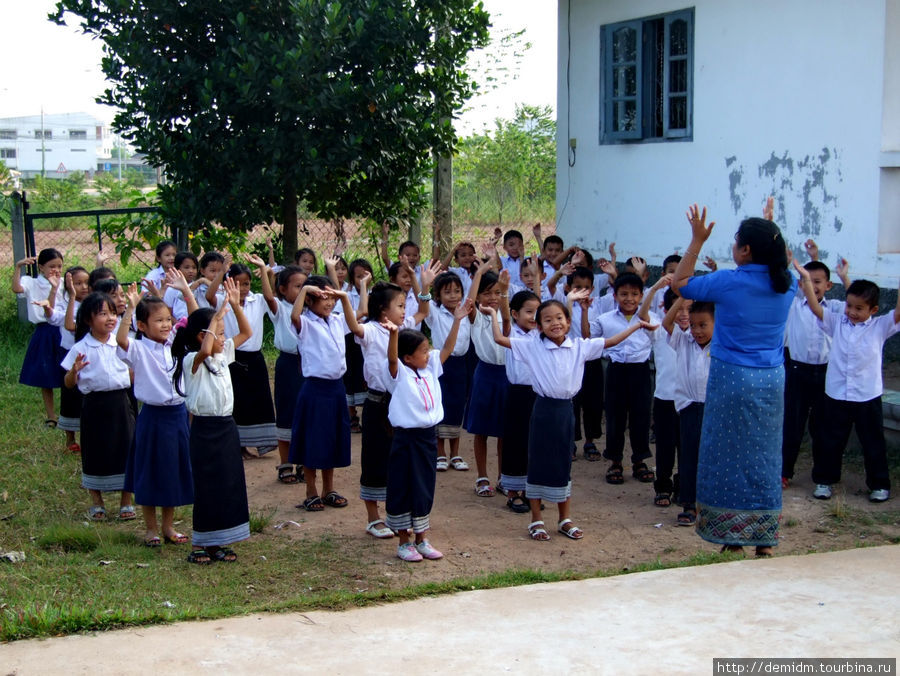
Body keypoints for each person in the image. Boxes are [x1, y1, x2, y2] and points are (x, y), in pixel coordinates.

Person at [672, 200, 796, 557]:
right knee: (765, 455)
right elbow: (779, 260)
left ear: (744, 250)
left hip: (731, 378)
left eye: (737, 241)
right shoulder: (785, 284)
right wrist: (770, 227)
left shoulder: (728, 282)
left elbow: (681, 283)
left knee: (727, 454)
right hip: (771, 379)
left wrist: (696, 240)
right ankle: (765, 538)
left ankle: (732, 536)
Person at [488, 296, 656, 541]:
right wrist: (493, 315)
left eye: (559, 318)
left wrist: (638, 325)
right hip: (543, 410)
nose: (554, 323)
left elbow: (610, 341)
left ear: (568, 322)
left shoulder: (579, 346)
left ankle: (564, 518)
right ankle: (536, 519)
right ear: (539, 325)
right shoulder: (532, 345)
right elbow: (499, 339)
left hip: (565, 412)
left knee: (563, 463)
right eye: (547, 320)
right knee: (537, 462)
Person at [793, 264, 898, 503]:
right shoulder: (837, 321)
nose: (851, 311)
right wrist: (807, 280)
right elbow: (815, 307)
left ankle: (879, 484)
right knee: (829, 440)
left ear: (874, 309)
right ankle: (824, 480)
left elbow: (898, 313)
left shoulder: (880, 326)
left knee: (873, 442)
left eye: (859, 308)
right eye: (849, 306)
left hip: (867, 396)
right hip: (836, 394)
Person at [172, 278, 253, 564]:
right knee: (206, 485)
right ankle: (200, 543)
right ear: (200, 336)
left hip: (226, 428)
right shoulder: (193, 359)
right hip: (204, 430)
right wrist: (218, 312)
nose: (222, 338)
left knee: (227, 483)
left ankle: (220, 541)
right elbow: (206, 349)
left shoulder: (223, 355)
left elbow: (247, 332)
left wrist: (233, 305)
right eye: (218, 334)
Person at [382, 300, 471, 561]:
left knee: (424, 486)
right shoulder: (400, 374)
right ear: (408, 357)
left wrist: (457, 320)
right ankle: (403, 541)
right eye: (423, 350)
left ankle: (421, 538)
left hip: (427, 437)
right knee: (403, 485)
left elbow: (449, 348)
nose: (429, 352)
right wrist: (394, 335)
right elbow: (391, 358)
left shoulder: (430, 368)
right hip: (406, 439)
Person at [118, 271, 197, 547]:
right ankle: (150, 528)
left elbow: (198, 320)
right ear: (142, 325)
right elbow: (120, 340)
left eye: (168, 319)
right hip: (152, 417)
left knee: (172, 471)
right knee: (150, 472)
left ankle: (168, 526)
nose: (166, 325)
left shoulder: (176, 341)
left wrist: (186, 289)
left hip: (177, 416)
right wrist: (129, 309)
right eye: (158, 321)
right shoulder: (138, 349)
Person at [352, 281, 428, 538]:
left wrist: (425, 286)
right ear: (384, 310)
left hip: (400, 402)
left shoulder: (402, 329)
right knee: (374, 456)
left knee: (397, 459)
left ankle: (397, 516)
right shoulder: (372, 330)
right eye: (400, 305)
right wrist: (347, 297)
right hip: (376, 402)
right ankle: (373, 518)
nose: (405, 311)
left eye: (405, 305)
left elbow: (423, 313)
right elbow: (354, 326)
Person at [61, 291, 136, 521]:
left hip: (120, 402)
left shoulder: (122, 343)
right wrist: (74, 371)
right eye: (103, 313)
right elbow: (68, 383)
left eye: (113, 313)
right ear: (88, 320)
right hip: (94, 405)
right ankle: (97, 502)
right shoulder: (81, 348)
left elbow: (133, 372)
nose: (110, 318)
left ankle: (126, 501)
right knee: (94, 450)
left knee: (126, 448)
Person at [289, 275, 362, 511]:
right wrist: (305, 289)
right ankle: (311, 490)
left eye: (331, 298)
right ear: (310, 301)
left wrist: (342, 296)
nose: (329, 303)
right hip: (316, 390)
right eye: (323, 298)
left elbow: (356, 321)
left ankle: (328, 489)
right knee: (313, 441)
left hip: (336, 388)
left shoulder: (337, 320)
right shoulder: (306, 324)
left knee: (331, 440)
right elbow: (294, 316)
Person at [781, 253, 849, 488]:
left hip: (826, 373)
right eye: (807, 280)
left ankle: (823, 477)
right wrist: (789, 263)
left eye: (818, 281)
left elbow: (855, 299)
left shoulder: (837, 308)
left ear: (829, 285)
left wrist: (845, 277)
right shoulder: (793, 306)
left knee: (823, 427)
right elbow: (784, 281)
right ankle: (784, 471)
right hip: (797, 370)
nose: (812, 285)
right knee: (792, 424)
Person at [207, 259, 278, 456]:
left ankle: (260, 442)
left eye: (246, 283)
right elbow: (209, 295)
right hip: (232, 356)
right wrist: (222, 271)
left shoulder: (258, 300)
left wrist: (264, 270)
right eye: (238, 283)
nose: (243, 288)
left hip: (255, 357)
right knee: (236, 402)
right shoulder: (223, 300)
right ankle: (238, 445)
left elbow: (269, 295)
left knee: (259, 400)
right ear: (228, 284)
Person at [595, 272, 659, 485]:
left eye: (634, 294)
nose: (629, 298)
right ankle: (615, 461)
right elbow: (592, 340)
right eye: (624, 294)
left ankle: (640, 460)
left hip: (640, 371)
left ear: (641, 295)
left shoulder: (649, 318)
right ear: (614, 295)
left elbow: (656, 336)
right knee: (615, 417)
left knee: (641, 416)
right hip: (616, 371)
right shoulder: (605, 319)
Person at [662, 292, 714, 526]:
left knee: (713, 458)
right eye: (693, 325)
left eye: (703, 325)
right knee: (689, 457)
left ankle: (712, 504)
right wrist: (681, 301)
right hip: (690, 408)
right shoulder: (683, 341)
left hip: (715, 409)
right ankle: (689, 504)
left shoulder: (723, 345)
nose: (697, 330)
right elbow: (666, 322)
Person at [261, 264, 307, 484]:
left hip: (309, 364)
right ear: (283, 290)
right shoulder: (279, 308)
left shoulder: (312, 310)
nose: (303, 290)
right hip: (288, 364)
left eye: (306, 286)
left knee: (306, 412)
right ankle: (286, 461)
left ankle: (304, 463)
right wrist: (265, 272)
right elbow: (268, 297)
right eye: (298, 286)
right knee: (287, 410)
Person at [465, 262, 508, 497]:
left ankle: (503, 476)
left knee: (504, 431)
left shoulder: (506, 315)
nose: (493, 298)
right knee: (481, 430)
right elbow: (469, 303)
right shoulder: (477, 317)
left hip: (506, 377)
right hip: (485, 375)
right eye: (487, 292)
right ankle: (482, 477)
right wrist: (479, 274)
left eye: (497, 293)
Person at [423, 268, 470, 472]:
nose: (453, 296)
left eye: (457, 291)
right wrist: (425, 284)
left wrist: (482, 270)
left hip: (461, 364)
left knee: (457, 407)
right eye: (448, 292)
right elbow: (423, 302)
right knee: (441, 406)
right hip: (442, 364)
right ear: (438, 295)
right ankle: (440, 453)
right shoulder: (434, 312)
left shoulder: (465, 310)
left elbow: (473, 292)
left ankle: (455, 454)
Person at [13, 248, 66, 427]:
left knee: (68, 372)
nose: (56, 270)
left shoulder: (65, 283)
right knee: (46, 375)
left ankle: (69, 413)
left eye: (59, 266)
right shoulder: (32, 283)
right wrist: (18, 267)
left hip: (63, 329)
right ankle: (51, 416)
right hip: (44, 331)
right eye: (52, 266)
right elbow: (16, 288)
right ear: (41, 267)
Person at [499, 289, 541, 513]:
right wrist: (504, 293)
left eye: (537, 312)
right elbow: (504, 318)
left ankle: (530, 491)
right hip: (516, 394)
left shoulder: (540, 334)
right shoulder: (511, 332)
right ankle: (513, 492)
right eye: (529, 312)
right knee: (515, 442)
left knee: (533, 443)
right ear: (515, 314)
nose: (534, 316)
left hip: (538, 394)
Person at [639, 274, 679, 506]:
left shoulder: (698, 332)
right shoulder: (659, 328)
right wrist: (654, 288)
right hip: (665, 399)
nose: (682, 313)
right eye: (676, 307)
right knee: (665, 447)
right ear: (665, 308)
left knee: (688, 448)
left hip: (692, 401)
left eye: (687, 307)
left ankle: (684, 487)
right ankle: (663, 486)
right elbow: (642, 314)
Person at [48, 266, 90, 452]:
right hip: (71, 354)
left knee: (85, 397)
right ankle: (70, 437)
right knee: (70, 396)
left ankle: (88, 435)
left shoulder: (94, 304)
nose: (83, 287)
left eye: (86, 283)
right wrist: (72, 296)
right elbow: (64, 322)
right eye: (77, 283)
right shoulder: (67, 303)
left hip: (90, 356)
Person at [162, 251, 201, 321]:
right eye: (187, 267)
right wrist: (178, 325)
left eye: (194, 267)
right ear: (177, 269)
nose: (191, 271)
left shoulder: (198, 286)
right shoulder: (172, 289)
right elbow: (168, 313)